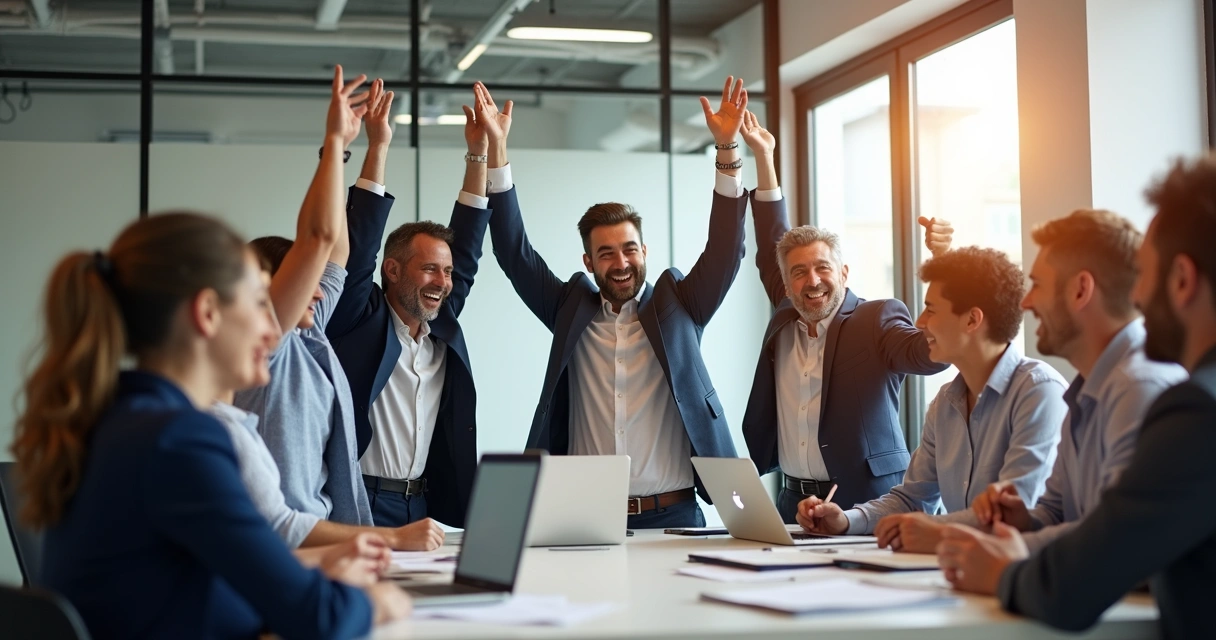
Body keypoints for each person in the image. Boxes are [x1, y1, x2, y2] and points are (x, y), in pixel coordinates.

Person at [10, 209, 411, 638]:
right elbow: (319, 618)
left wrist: (317, 570)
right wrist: (376, 601)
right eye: (260, 301)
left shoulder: (118, 419)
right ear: (207, 313)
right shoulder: (179, 440)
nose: (272, 326)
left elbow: (192, 581)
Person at [937, 154, 1216, 639]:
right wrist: (1022, 524)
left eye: (1145, 274)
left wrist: (1001, 571)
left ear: (1183, 280)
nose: (1138, 296)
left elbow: (1096, 563)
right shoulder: (1086, 392)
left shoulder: (1189, 408)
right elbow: (1070, 518)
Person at [485, 77, 756, 528]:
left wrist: (727, 152)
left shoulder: (680, 305)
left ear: (644, 252)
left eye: (630, 249)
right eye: (606, 253)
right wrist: (496, 151)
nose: (621, 262)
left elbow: (726, 251)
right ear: (589, 261)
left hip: (675, 514)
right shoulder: (570, 308)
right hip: (585, 515)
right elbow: (514, 253)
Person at [794, 247, 1067, 551]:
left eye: (931, 310)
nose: (920, 322)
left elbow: (1014, 513)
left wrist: (930, 527)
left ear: (972, 320)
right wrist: (846, 520)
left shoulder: (1039, 392)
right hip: (959, 567)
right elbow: (912, 499)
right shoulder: (945, 403)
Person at [743, 147, 954, 522]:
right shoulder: (787, 309)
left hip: (870, 502)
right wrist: (764, 156)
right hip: (792, 503)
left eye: (823, 267)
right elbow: (771, 239)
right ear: (787, 285)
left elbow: (930, 353)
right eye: (799, 272)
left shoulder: (877, 318)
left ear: (843, 273)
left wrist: (946, 263)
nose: (812, 281)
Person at [326, 82, 502, 527]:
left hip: (423, 506)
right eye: (428, 269)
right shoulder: (358, 317)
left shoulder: (441, 324)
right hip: (360, 500)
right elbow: (360, 242)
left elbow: (469, 246)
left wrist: (478, 152)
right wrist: (378, 145)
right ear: (392, 271)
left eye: (445, 273)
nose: (443, 283)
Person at [966, 210, 1185, 552]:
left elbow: (1115, 535)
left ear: (1081, 289)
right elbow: (1057, 511)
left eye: (1037, 284)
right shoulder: (1085, 391)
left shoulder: (1139, 389)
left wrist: (1011, 552)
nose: (1026, 301)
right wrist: (1023, 522)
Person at [232, 69, 377, 529]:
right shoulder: (268, 342)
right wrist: (333, 144)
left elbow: (337, 251)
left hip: (324, 533)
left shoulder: (308, 335)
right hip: (289, 542)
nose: (318, 291)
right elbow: (317, 239)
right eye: (304, 280)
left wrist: (366, 150)